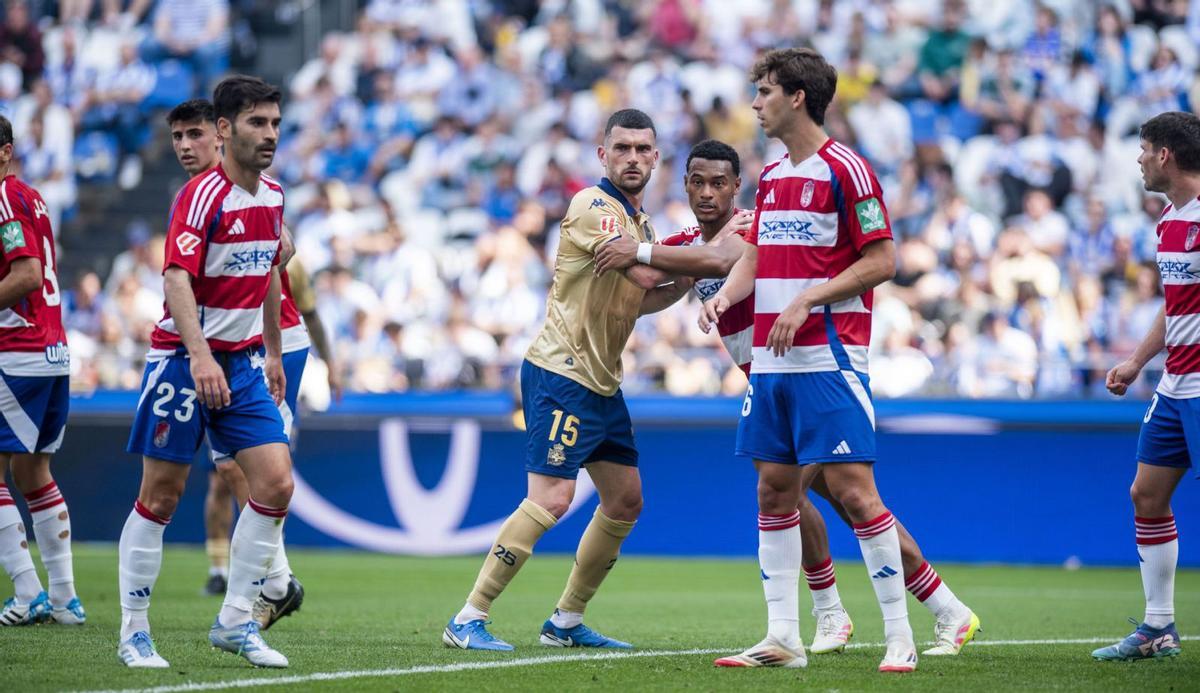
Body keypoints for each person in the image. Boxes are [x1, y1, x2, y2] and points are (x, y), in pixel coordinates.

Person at [596, 139, 978, 657]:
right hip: (769, 383)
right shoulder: (688, 241)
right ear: (684, 184)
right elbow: (655, 280)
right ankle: (935, 610)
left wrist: (639, 250)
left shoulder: (750, 227)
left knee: (831, 498)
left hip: (805, 375)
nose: (707, 194)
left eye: (719, 183)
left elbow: (714, 259)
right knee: (831, 500)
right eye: (697, 182)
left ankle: (847, 614)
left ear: (737, 188)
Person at [701, 47, 933, 673]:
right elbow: (757, 252)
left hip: (827, 360)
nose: (755, 103)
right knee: (773, 491)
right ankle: (783, 637)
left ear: (797, 96)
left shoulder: (849, 170)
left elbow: (884, 260)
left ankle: (899, 635)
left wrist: (808, 298)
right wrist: (725, 296)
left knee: (857, 495)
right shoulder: (773, 175)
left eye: (765, 91)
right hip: (772, 367)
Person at [443, 109, 681, 651]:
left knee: (625, 500)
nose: (633, 158)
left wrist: (694, 272)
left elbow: (643, 297)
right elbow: (646, 272)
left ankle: (566, 622)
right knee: (552, 498)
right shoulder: (592, 207)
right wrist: (717, 256)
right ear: (603, 155)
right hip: (561, 371)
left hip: (601, 380)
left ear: (656, 157)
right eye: (622, 148)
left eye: (644, 149)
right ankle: (468, 616)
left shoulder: (641, 226)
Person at [117, 76, 293, 669]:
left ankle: (236, 622)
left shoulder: (273, 196)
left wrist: (271, 350)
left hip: (242, 365)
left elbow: (270, 273)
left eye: (273, 123)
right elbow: (175, 279)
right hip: (182, 361)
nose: (269, 134)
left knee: (276, 486)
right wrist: (198, 357)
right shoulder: (200, 196)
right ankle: (134, 631)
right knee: (161, 497)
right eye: (255, 123)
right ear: (226, 130)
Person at [167, 98, 340, 625]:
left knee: (250, 467)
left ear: (220, 138)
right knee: (226, 467)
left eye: (195, 135)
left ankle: (272, 580)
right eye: (178, 137)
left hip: (272, 337)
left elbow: (281, 253)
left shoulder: (254, 192)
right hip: (235, 341)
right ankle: (271, 578)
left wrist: (302, 356)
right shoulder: (200, 197)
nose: (185, 147)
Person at [1094, 110, 1200, 662]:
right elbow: (1176, 304)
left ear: (1166, 155)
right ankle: (1159, 627)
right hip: (1176, 383)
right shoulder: (1168, 219)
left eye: (1143, 149)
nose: (1137, 159)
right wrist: (1136, 361)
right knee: (1146, 495)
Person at [0, 114, 84, 627]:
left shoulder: (6, 197)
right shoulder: (31, 196)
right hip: (51, 351)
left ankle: (27, 590)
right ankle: (64, 599)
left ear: (5, 151)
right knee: (33, 472)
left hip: (17, 351)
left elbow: (28, 274)